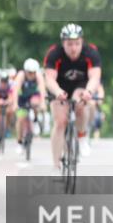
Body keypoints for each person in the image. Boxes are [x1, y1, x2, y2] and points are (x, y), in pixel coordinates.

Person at [43, 23, 102, 172]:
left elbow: (95, 77)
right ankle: (56, 164)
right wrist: (57, 92)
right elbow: (49, 79)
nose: (74, 48)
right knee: (61, 122)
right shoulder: (54, 53)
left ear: (82, 42)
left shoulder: (91, 53)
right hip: (58, 88)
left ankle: (82, 136)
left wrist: (89, 91)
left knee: (80, 103)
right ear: (63, 43)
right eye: (69, 44)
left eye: (77, 43)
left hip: (80, 86)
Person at [14, 58, 45, 154]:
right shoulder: (21, 76)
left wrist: (43, 103)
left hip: (33, 95)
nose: (31, 75)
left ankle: (35, 120)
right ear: (25, 71)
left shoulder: (38, 76)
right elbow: (15, 90)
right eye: (29, 72)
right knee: (20, 119)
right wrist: (15, 104)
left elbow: (42, 89)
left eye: (33, 72)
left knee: (35, 102)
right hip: (22, 98)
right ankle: (19, 142)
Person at [0, 70, 17, 149]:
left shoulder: (11, 85)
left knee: (10, 110)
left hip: (7, 98)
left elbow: (11, 96)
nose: (4, 83)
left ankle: (7, 127)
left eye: (5, 81)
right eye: (2, 81)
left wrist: (8, 101)